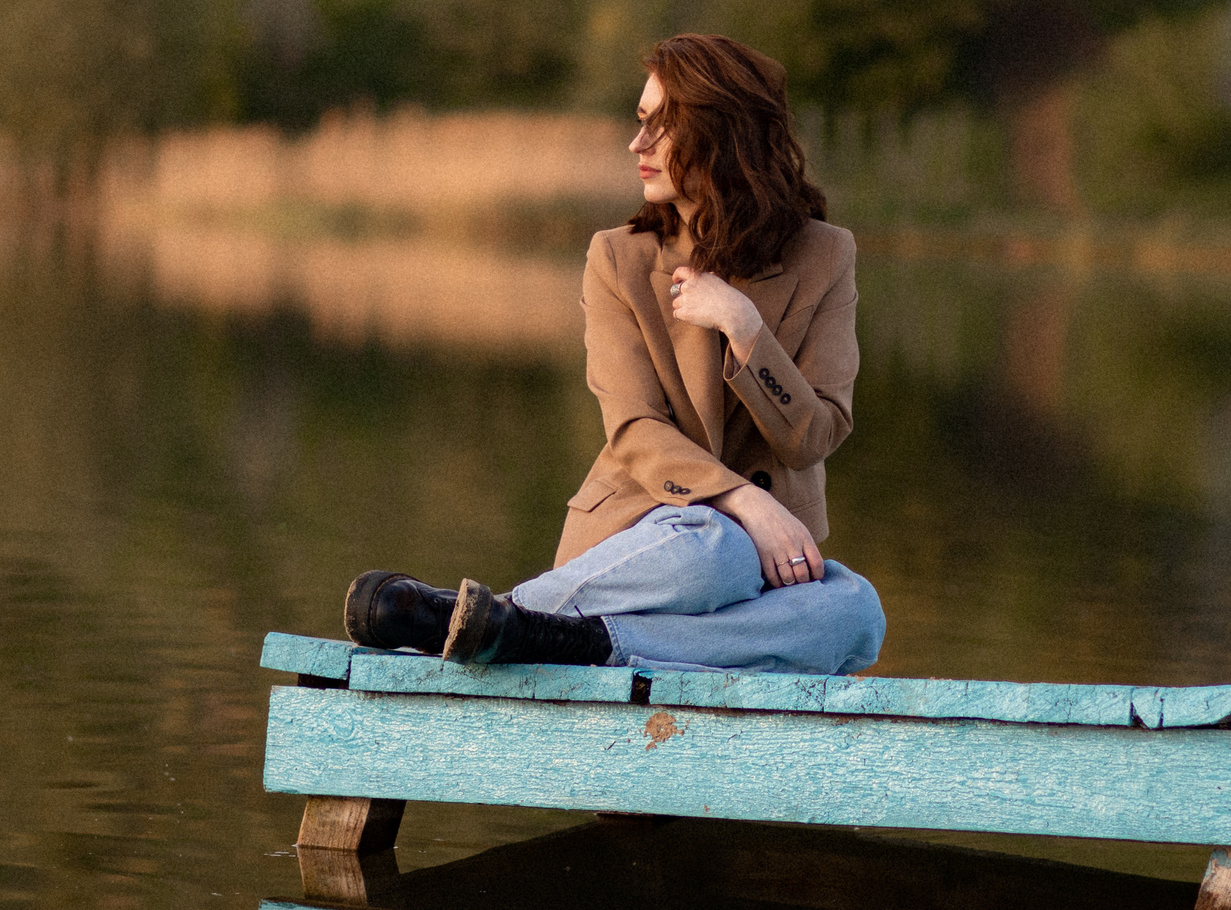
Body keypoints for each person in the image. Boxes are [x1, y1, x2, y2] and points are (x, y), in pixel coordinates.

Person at [344, 33, 884, 674]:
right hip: (652, 544)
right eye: (640, 121)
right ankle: (521, 621)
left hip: (755, 573)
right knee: (716, 549)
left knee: (857, 614)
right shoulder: (618, 258)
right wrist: (746, 501)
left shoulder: (825, 255)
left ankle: (528, 629)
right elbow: (633, 429)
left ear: (726, 135)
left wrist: (745, 329)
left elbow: (815, 435)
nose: (639, 144)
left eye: (664, 126)